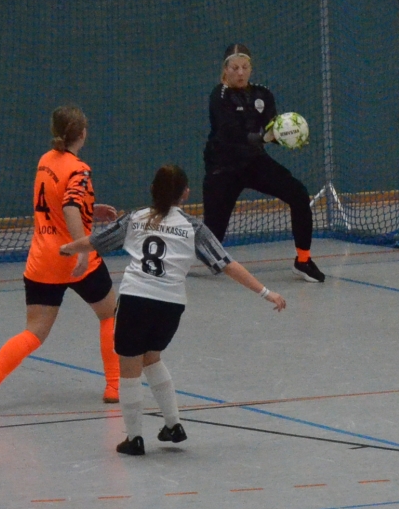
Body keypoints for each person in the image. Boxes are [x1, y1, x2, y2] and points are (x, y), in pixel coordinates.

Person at [63, 164, 284, 456]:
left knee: (129, 368)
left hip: (136, 299)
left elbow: (95, 242)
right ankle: (173, 424)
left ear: (152, 190)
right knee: (152, 358)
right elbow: (227, 264)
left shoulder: (136, 219)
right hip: (171, 305)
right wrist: (266, 292)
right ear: (185, 193)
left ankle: (134, 438)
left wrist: (67, 248)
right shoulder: (193, 227)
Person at [0, 105, 120, 415]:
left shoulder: (45, 161)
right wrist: (81, 249)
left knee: (34, 332)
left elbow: (58, 201)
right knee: (109, 314)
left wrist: (92, 209)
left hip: (42, 260)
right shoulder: (79, 169)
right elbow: (69, 207)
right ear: (82, 134)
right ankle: (114, 387)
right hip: (74, 259)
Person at [202, 43, 325, 283]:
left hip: (254, 163)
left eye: (245, 67)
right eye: (235, 68)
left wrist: (290, 136)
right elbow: (229, 132)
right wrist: (261, 138)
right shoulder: (220, 95)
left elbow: (272, 129)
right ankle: (173, 248)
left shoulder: (263, 94)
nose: (240, 72)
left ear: (251, 68)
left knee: (299, 194)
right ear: (225, 70)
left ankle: (303, 261)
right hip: (223, 168)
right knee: (210, 249)